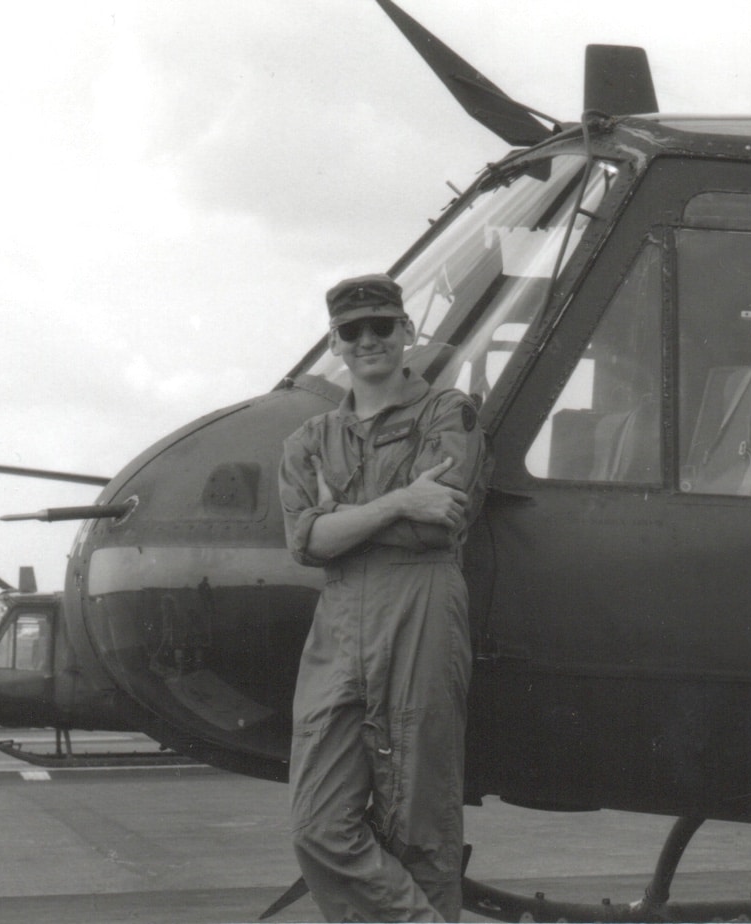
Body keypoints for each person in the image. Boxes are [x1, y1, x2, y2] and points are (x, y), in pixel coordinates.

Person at [277, 272, 487, 922]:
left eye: (382, 326)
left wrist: (343, 521)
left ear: (407, 332)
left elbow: (439, 522)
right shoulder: (308, 441)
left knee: (418, 826)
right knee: (317, 825)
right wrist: (398, 499)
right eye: (352, 331)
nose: (368, 340)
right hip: (339, 623)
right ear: (335, 343)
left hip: (419, 612)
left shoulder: (450, 413)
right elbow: (305, 543)